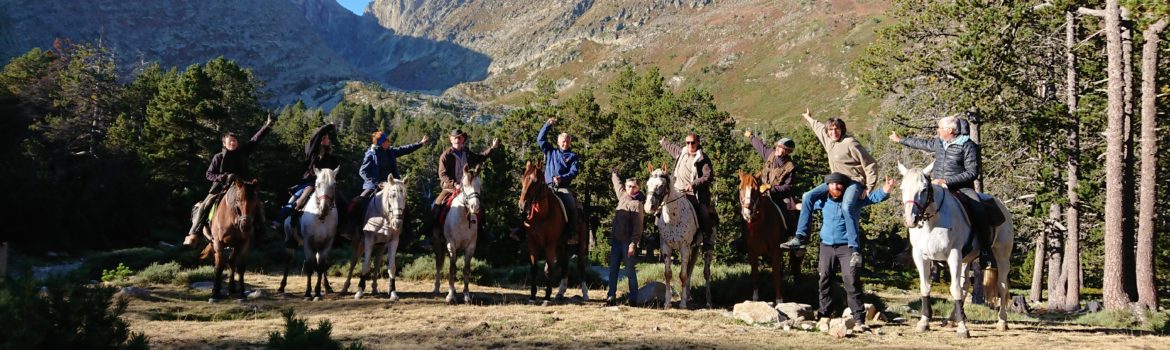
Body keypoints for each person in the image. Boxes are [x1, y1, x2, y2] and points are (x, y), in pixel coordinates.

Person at [889, 116, 995, 268]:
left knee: (978, 209)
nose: (938, 131)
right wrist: (900, 140)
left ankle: (985, 252)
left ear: (950, 130)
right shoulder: (940, 142)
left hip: (961, 188)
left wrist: (947, 181)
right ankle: (914, 247)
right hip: (937, 187)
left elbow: (973, 172)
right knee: (917, 206)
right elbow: (922, 144)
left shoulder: (968, 146)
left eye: (940, 128)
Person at [804, 172, 895, 332]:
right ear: (828, 186)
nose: (835, 187)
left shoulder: (853, 201)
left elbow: (873, 198)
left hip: (847, 247)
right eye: (832, 184)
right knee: (824, 279)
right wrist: (795, 205)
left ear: (844, 186)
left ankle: (859, 318)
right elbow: (808, 204)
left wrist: (886, 190)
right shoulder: (823, 200)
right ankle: (824, 314)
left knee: (851, 280)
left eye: (839, 184)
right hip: (826, 246)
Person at [783, 109, 878, 252]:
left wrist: (869, 186)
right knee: (807, 196)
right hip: (836, 181)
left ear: (842, 129)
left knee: (846, 206)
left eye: (837, 129)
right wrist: (809, 118)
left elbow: (870, 163)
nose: (834, 132)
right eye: (831, 129)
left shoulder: (850, 143)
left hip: (853, 181)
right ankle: (800, 237)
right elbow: (819, 128)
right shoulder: (828, 140)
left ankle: (854, 246)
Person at [184, 116, 274, 246]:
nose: (233, 143)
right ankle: (194, 233)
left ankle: (262, 233)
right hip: (221, 187)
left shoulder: (243, 152)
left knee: (258, 204)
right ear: (224, 144)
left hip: (242, 187)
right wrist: (221, 177)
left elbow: (255, 140)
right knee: (205, 205)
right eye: (230, 141)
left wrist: (267, 126)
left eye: (235, 141)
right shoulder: (218, 157)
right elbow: (209, 174)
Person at [355, 130, 429, 239]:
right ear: (381, 142)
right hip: (374, 186)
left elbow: (404, 150)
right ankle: (355, 229)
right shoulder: (370, 154)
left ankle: (407, 233)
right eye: (387, 140)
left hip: (392, 185)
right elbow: (362, 171)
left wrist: (420, 143)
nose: (389, 142)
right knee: (360, 201)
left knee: (404, 207)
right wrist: (377, 183)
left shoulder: (390, 151)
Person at [735, 130, 799, 250]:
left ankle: (791, 238)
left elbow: (788, 187)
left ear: (788, 151)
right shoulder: (770, 154)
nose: (778, 149)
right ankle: (743, 237)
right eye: (778, 146)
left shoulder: (790, 167)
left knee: (789, 212)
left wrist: (772, 188)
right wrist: (751, 137)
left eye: (781, 148)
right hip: (762, 193)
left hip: (780, 195)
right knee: (746, 208)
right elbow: (760, 147)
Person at [273, 123, 341, 236]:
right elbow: (317, 136)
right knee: (296, 200)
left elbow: (335, 172)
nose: (328, 140)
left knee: (341, 200)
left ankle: (342, 228)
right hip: (310, 183)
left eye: (327, 138)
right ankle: (283, 222)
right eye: (326, 138)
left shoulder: (331, 158)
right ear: (321, 139)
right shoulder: (312, 152)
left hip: (326, 186)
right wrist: (328, 127)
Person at [429, 129, 498, 240]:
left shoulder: (466, 153)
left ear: (463, 140)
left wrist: (492, 148)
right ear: (451, 139)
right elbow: (442, 175)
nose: (457, 139)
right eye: (455, 137)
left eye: (460, 137)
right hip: (450, 188)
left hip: (466, 188)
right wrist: (454, 184)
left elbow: (480, 157)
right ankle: (432, 235)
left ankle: (481, 230)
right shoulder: (445, 156)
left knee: (479, 206)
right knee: (437, 206)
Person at [659, 133, 717, 250]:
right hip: (676, 191)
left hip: (694, 194)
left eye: (692, 142)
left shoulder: (703, 159)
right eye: (687, 143)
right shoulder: (681, 153)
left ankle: (707, 238)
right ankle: (659, 235)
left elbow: (708, 176)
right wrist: (663, 143)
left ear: (698, 143)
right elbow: (671, 148)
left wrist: (693, 184)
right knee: (659, 208)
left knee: (703, 212)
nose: (690, 145)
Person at [534, 117, 581, 244]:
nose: (565, 143)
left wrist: (562, 178)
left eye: (567, 141)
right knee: (529, 199)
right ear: (558, 142)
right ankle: (522, 229)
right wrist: (547, 125)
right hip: (547, 186)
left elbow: (574, 172)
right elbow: (540, 139)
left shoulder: (573, 156)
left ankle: (572, 233)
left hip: (562, 188)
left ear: (570, 143)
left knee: (571, 203)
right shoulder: (551, 151)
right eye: (563, 141)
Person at [607, 166, 644, 306]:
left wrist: (633, 244)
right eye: (629, 186)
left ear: (638, 188)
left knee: (629, 271)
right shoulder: (622, 195)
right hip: (616, 241)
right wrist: (614, 173)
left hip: (627, 243)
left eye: (634, 187)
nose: (631, 189)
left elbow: (638, 228)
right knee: (613, 270)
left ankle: (633, 298)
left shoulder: (638, 204)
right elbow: (617, 184)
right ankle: (611, 296)